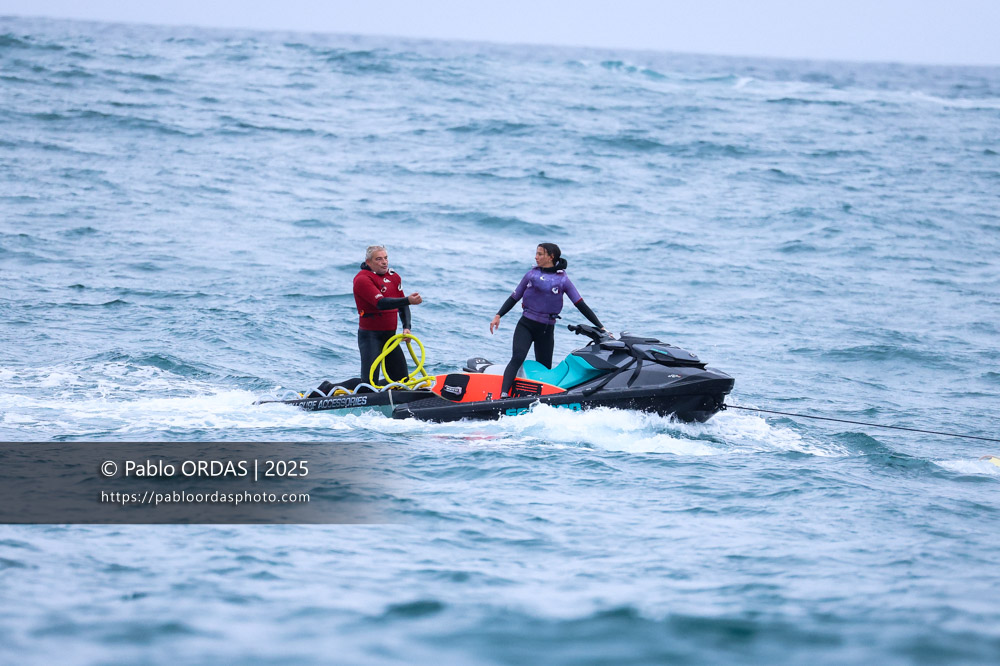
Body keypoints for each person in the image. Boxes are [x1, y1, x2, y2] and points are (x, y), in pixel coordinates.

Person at [490, 243, 606, 398]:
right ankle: (503, 395)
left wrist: (600, 326)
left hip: (546, 329)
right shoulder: (531, 275)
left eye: (540, 254)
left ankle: (538, 399)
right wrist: (499, 315)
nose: (536, 257)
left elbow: (580, 304)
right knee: (518, 357)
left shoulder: (563, 280)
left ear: (551, 256)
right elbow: (514, 297)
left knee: (544, 368)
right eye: (536, 253)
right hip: (526, 325)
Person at [353, 245, 422, 385]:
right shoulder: (362, 279)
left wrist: (406, 326)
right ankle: (328, 388)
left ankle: (389, 394)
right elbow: (381, 303)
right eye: (379, 259)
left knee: (402, 380)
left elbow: (402, 305)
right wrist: (408, 299)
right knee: (369, 384)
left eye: (385, 258)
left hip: (390, 337)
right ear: (368, 262)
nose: (384, 262)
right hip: (370, 337)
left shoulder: (394, 277)